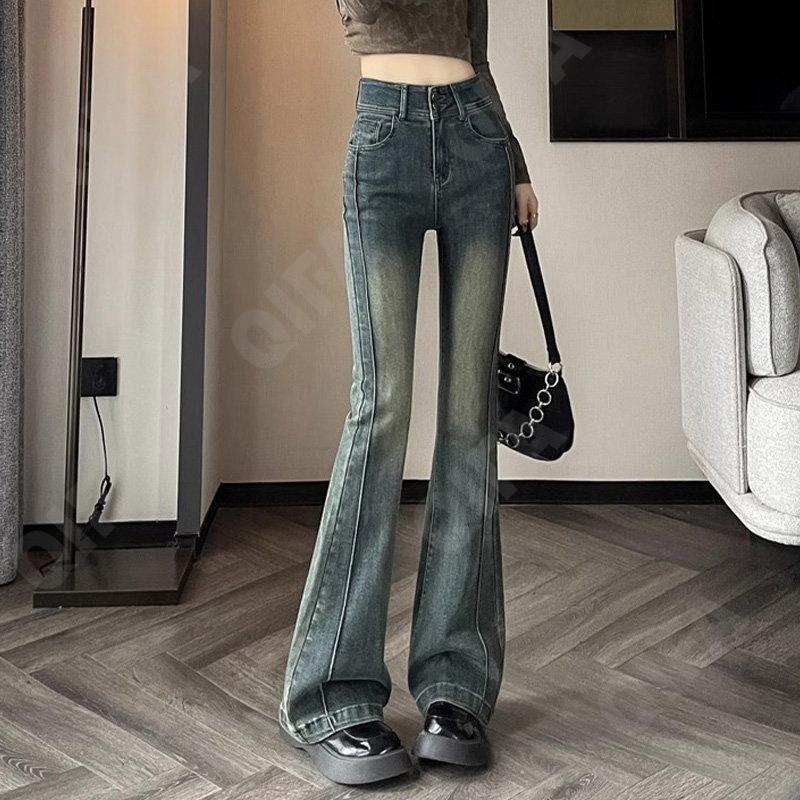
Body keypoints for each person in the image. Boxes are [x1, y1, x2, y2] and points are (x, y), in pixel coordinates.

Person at [278, 0, 538, 785]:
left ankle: (456, 685)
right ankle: (334, 694)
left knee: (468, 422)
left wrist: (515, 161)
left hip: (477, 139)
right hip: (385, 138)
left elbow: (475, 50)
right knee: (382, 408)